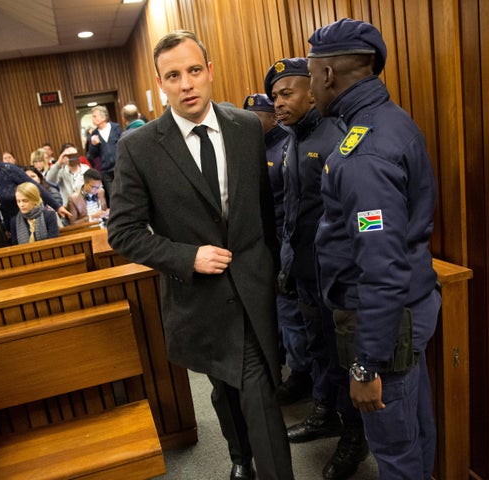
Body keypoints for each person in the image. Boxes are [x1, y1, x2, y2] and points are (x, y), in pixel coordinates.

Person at [108, 30, 293, 480]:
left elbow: (264, 213)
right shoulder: (139, 147)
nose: (186, 83)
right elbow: (123, 232)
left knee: (259, 389)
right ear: (160, 84)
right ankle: (237, 454)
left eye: (194, 71)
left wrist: (271, 271)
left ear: (209, 72)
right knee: (225, 384)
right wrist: (187, 256)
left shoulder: (247, 127)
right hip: (199, 296)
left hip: (251, 286)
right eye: (174, 76)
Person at [307, 18, 441, 480]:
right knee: (416, 433)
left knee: (396, 451)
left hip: (382, 322)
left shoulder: (362, 153)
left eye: (310, 74)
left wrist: (365, 366)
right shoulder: (389, 119)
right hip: (405, 312)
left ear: (327, 75)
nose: (309, 89)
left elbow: (381, 269)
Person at [265, 57, 367, 477]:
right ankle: (324, 412)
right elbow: (292, 213)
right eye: (274, 96)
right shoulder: (290, 139)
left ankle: (355, 438)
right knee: (318, 351)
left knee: (345, 360)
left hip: (335, 276)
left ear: (312, 92)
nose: (278, 103)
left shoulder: (336, 138)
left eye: (286, 93)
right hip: (304, 273)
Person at [243, 93, 312, 405]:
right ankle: (283, 365)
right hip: (261, 245)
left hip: (286, 242)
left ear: (272, 117)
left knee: (290, 314)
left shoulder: (286, 145)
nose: (250, 124)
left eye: (256, 117)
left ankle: (301, 376)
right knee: (274, 313)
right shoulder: (249, 148)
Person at [85, 105, 121, 206]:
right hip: (106, 171)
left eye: (95, 116)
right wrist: (93, 145)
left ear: (103, 117)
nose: (93, 119)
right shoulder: (94, 134)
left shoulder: (116, 128)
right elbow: (91, 155)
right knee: (113, 197)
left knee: (124, 193)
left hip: (120, 167)